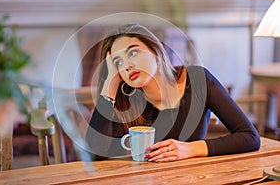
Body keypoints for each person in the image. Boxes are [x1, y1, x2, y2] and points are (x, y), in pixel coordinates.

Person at [86, 23, 260, 162]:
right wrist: (110, 85)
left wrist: (189, 149)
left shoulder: (198, 79)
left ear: (155, 51)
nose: (126, 65)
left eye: (133, 52)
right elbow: (96, 154)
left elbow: (250, 137)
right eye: (117, 62)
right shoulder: (125, 100)